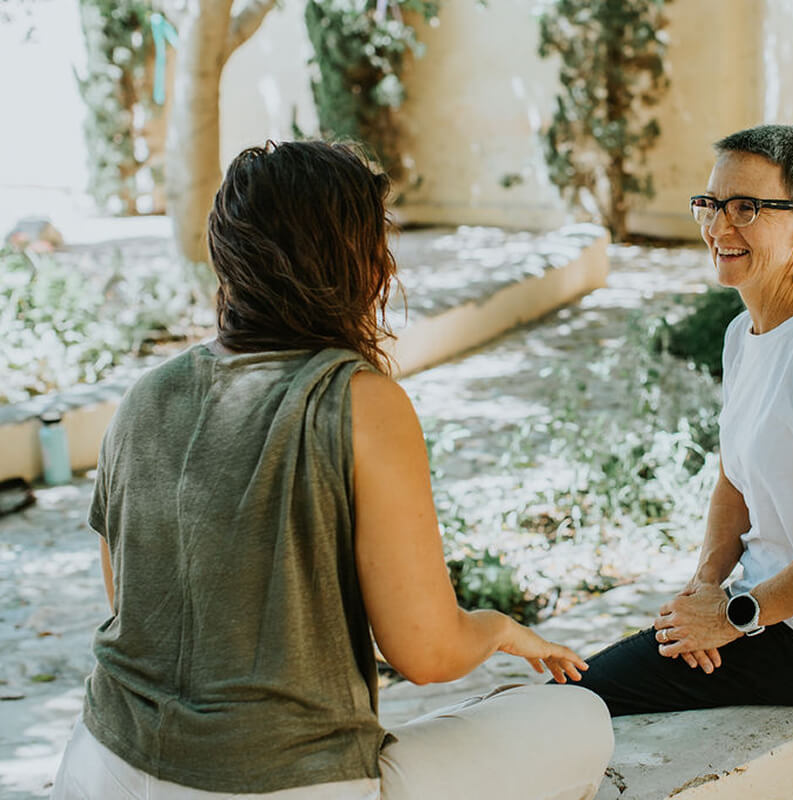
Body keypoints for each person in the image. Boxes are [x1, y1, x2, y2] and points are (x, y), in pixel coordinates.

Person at [50, 140, 613, 799]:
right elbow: (426, 653)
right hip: (278, 784)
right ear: (360, 262)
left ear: (227, 254)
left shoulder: (146, 394)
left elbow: (133, 606)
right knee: (577, 715)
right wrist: (499, 628)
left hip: (99, 766)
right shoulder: (358, 399)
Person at [576, 124, 793, 716]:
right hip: (762, 610)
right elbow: (736, 478)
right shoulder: (743, 335)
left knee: (577, 700)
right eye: (712, 204)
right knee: (581, 691)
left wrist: (733, 617)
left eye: (747, 208)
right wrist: (706, 585)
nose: (719, 227)